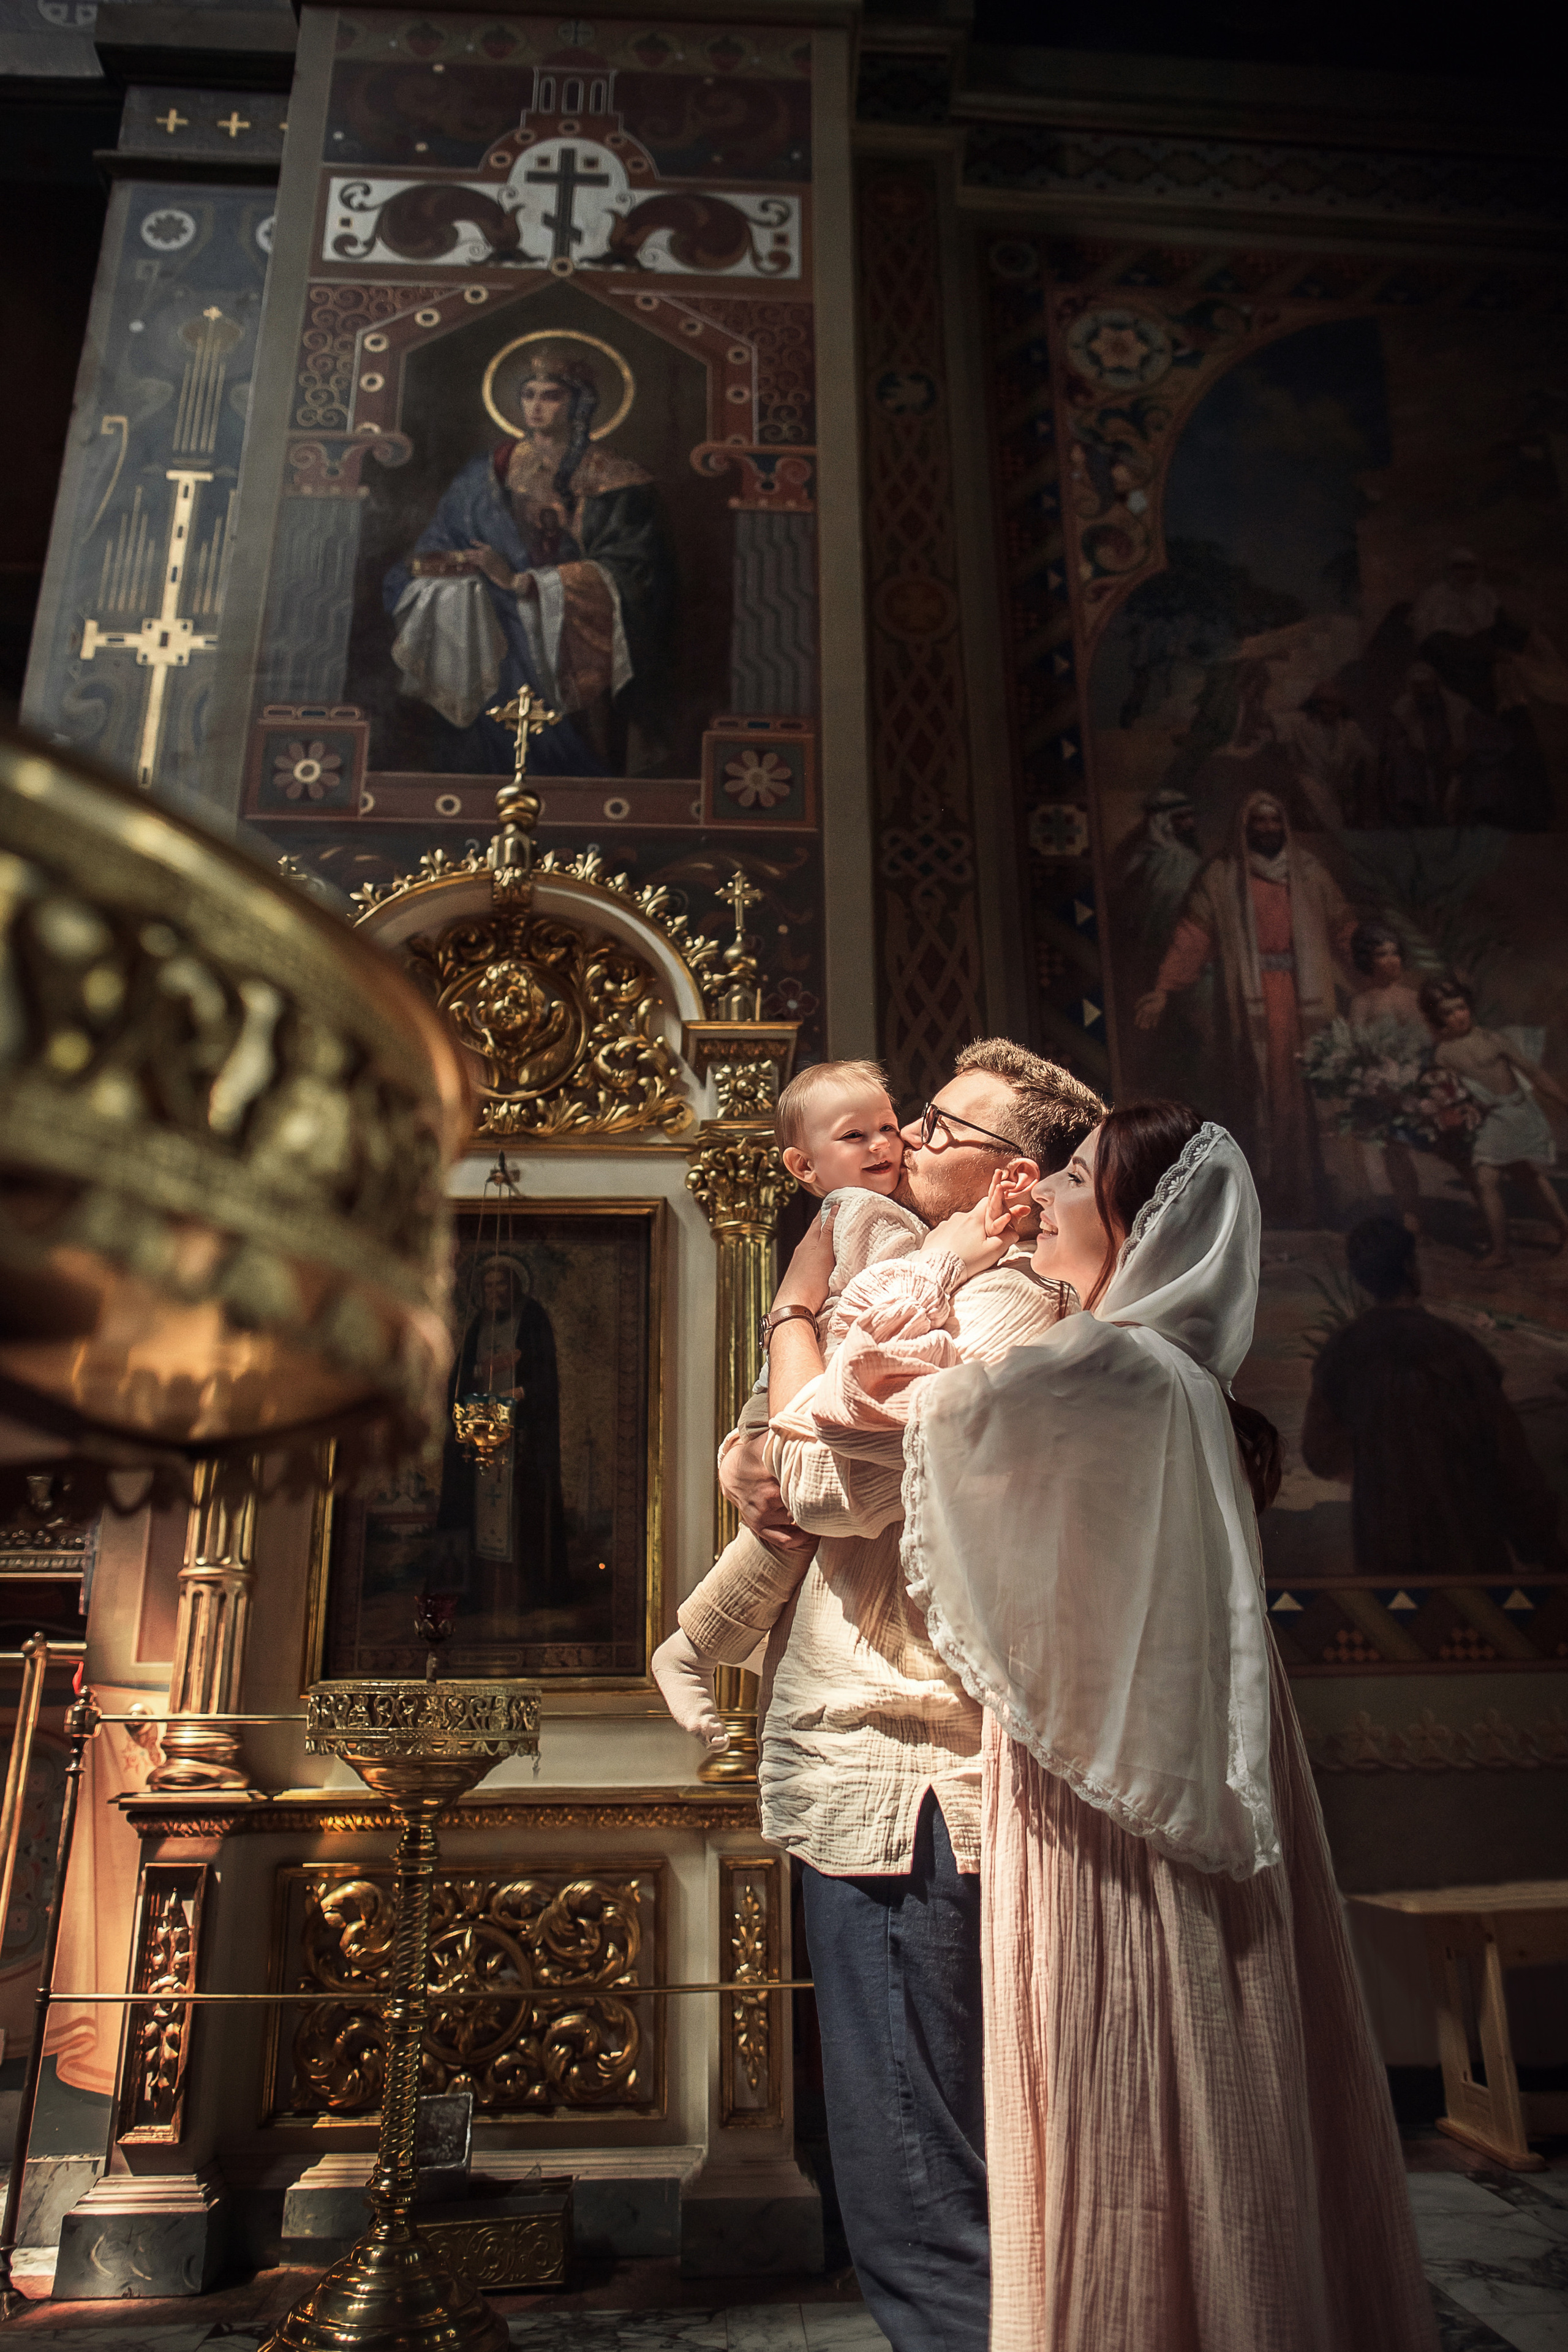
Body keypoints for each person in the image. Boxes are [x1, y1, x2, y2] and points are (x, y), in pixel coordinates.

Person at [766, 1105, 1436, 2352]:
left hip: (1102, 1822)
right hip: (1146, 1792)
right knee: (1187, 2109)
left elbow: (823, 1438)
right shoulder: (1156, 1370)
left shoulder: (1097, 1366)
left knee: (1117, 2105)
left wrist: (842, 1290)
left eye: (1068, 1177)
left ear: (1137, 1224)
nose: (1039, 1193)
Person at [707, 1039, 1104, 2352]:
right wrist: (769, 1426)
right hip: (897, 1765)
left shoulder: (1000, 1304)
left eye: (939, 1126)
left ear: (1018, 1174)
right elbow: (766, 1465)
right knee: (923, 2152)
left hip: (909, 1774)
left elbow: (821, 1487)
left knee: (916, 2170)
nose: (906, 1141)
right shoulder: (927, 1282)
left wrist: (792, 1312)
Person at [652, 1057, 927, 1736]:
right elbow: (895, 1297)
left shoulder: (865, 1207)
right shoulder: (858, 1208)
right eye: (855, 1137)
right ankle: (688, 1650)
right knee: (784, 1521)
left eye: (888, 1128)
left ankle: (690, 1649)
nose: (884, 1146)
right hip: (798, 1383)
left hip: (797, 1377)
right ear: (803, 1168)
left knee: (782, 1532)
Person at [384, 340, 676, 776]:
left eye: (552, 396)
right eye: (529, 395)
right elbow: (440, 541)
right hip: (485, 616)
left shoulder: (618, 479)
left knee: (510, 624)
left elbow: (634, 575)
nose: (537, 407)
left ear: (578, 403)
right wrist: (445, 567)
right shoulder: (487, 472)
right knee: (466, 617)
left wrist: (525, 585)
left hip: (571, 629)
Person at [1134, 788, 1357, 1222]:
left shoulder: (1309, 872)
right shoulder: (1222, 875)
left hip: (1308, 996)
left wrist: (1375, 972)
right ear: (1245, 825)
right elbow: (1193, 936)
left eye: (1275, 820)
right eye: (1260, 820)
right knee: (1264, 1090)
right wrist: (1164, 987)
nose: (1268, 829)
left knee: (1314, 1090)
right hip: (1252, 999)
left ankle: (1322, 1192)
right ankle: (1272, 1196)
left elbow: (1343, 927)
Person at [1302, 1216, 1566, 1582]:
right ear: (1411, 1267)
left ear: (1363, 1278)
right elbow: (1508, 1458)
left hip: (1385, 1555)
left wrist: (1384, 1466)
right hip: (1468, 1555)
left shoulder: (1342, 1353)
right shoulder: (1458, 1349)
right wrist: (1541, 1545)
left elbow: (1320, 1453)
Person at [435, 1253, 569, 1614]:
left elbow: (544, 1376)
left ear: (516, 1286)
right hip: (483, 1425)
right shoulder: (479, 1324)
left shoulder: (533, 1319)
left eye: (501, 1284)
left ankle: (525, 1593)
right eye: (488, 1285)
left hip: (521, 1430)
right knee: (479, 1504)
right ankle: (479, 1593)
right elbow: (461, 1376)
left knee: (519, 1508)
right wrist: (486, 1368)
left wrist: (516, 1393)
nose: (494, 1292)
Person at [1420, 976, 1568, 1267]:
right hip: (1488, 1121)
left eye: (1460, 1008)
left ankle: (1547, 1234)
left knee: (1524, 1176)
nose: (1457, 1016)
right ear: (1438, 1018)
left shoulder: (1494, 1040)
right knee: (1493, 1178)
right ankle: (1504, 1249)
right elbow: (1447, 1094)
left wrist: (1564, 1101)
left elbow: (1535, 1074)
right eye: (1447, 1013)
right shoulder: (1444, 1053)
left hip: (1516, 1115)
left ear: (1470, 1006)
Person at [1348, 922, 1427, 1231]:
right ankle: (1409, 1213)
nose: (1392, 960)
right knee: (1393, 1150)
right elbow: (1357, 1047)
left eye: (1395, 953)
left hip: (1412, 1081)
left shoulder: (1411, 997)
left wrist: (1408, 1075)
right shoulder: (1360, 1003)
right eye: (1383, 954)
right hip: (1380, 1086)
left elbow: (1422, 1043)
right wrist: (1371, 1076)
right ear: (1368, 961)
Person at [1272, 679, 1374, 830]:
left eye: (1335, 704)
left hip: (1335, 790)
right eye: (1325, 703)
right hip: (1308, 786)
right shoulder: (1301, 724)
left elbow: (1369, 755)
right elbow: (1271, 722)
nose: (1331, 709)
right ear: (1316, 705)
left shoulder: (1350, 730)